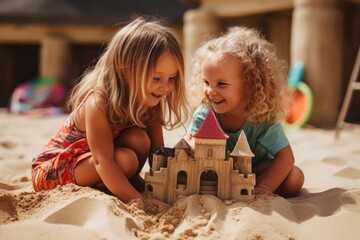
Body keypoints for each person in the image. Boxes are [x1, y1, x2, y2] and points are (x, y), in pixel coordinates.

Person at [31, 17, 189, 207]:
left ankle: (121, 184)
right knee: (125, 160)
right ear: (128, 71)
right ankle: (119, 185)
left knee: (139, 139)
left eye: (172, 78)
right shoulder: (98, 102)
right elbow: (103, 162)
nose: (165, 87)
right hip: (52, 171)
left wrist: (169, 185)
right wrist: (141, 202)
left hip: (94, 163)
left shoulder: (152, 101)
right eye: (157, 78)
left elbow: (157, 154)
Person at [186, 26, 304, 198]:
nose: (210, 91)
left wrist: (265, 186)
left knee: (295, 178)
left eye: (221, 84)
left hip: (254, 171)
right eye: (206, 82)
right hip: (217, 172)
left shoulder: (262, 118)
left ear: (249, 86)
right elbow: (189, 143)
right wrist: (191, 145)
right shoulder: (205, 114)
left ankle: (250, 188)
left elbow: (286, 158)